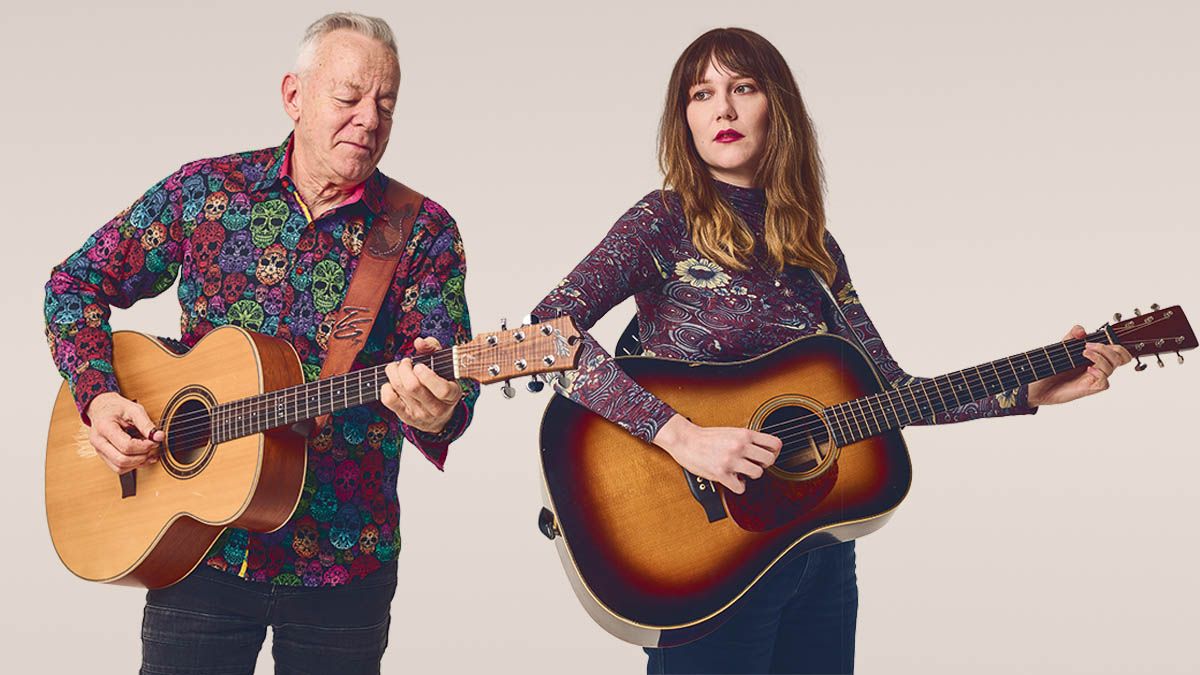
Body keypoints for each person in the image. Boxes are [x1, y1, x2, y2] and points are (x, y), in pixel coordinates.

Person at [531, 27, 1131, 674]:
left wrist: (1028, 390)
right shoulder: (662, 220)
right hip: (710, 553)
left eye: (743, 87)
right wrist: (682, 436)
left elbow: (889, 393)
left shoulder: (815, 246)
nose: (723, 109)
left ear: (777, 106)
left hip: (819, 551)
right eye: (701, 94)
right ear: (685, 119)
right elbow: (546, 332)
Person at [42, 12, 477, 674]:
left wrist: (441, 407)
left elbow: (452, 384)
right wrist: (99, 396)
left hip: (343, 561)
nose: (368, 119)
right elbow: (73, 284)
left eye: (386, 103)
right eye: (349, 96)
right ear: (294, 96)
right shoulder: (205, 193)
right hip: (196, 551)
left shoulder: (421, 232)